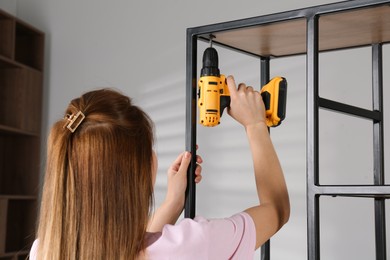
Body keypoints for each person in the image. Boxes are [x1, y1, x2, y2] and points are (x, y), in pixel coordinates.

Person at [30, 75, 289, 259]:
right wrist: (255, 125)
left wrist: (173, 203)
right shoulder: (194, 244)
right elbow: (277, 211)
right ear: (142, 168)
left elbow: (135, 250)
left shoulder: (44, 250)